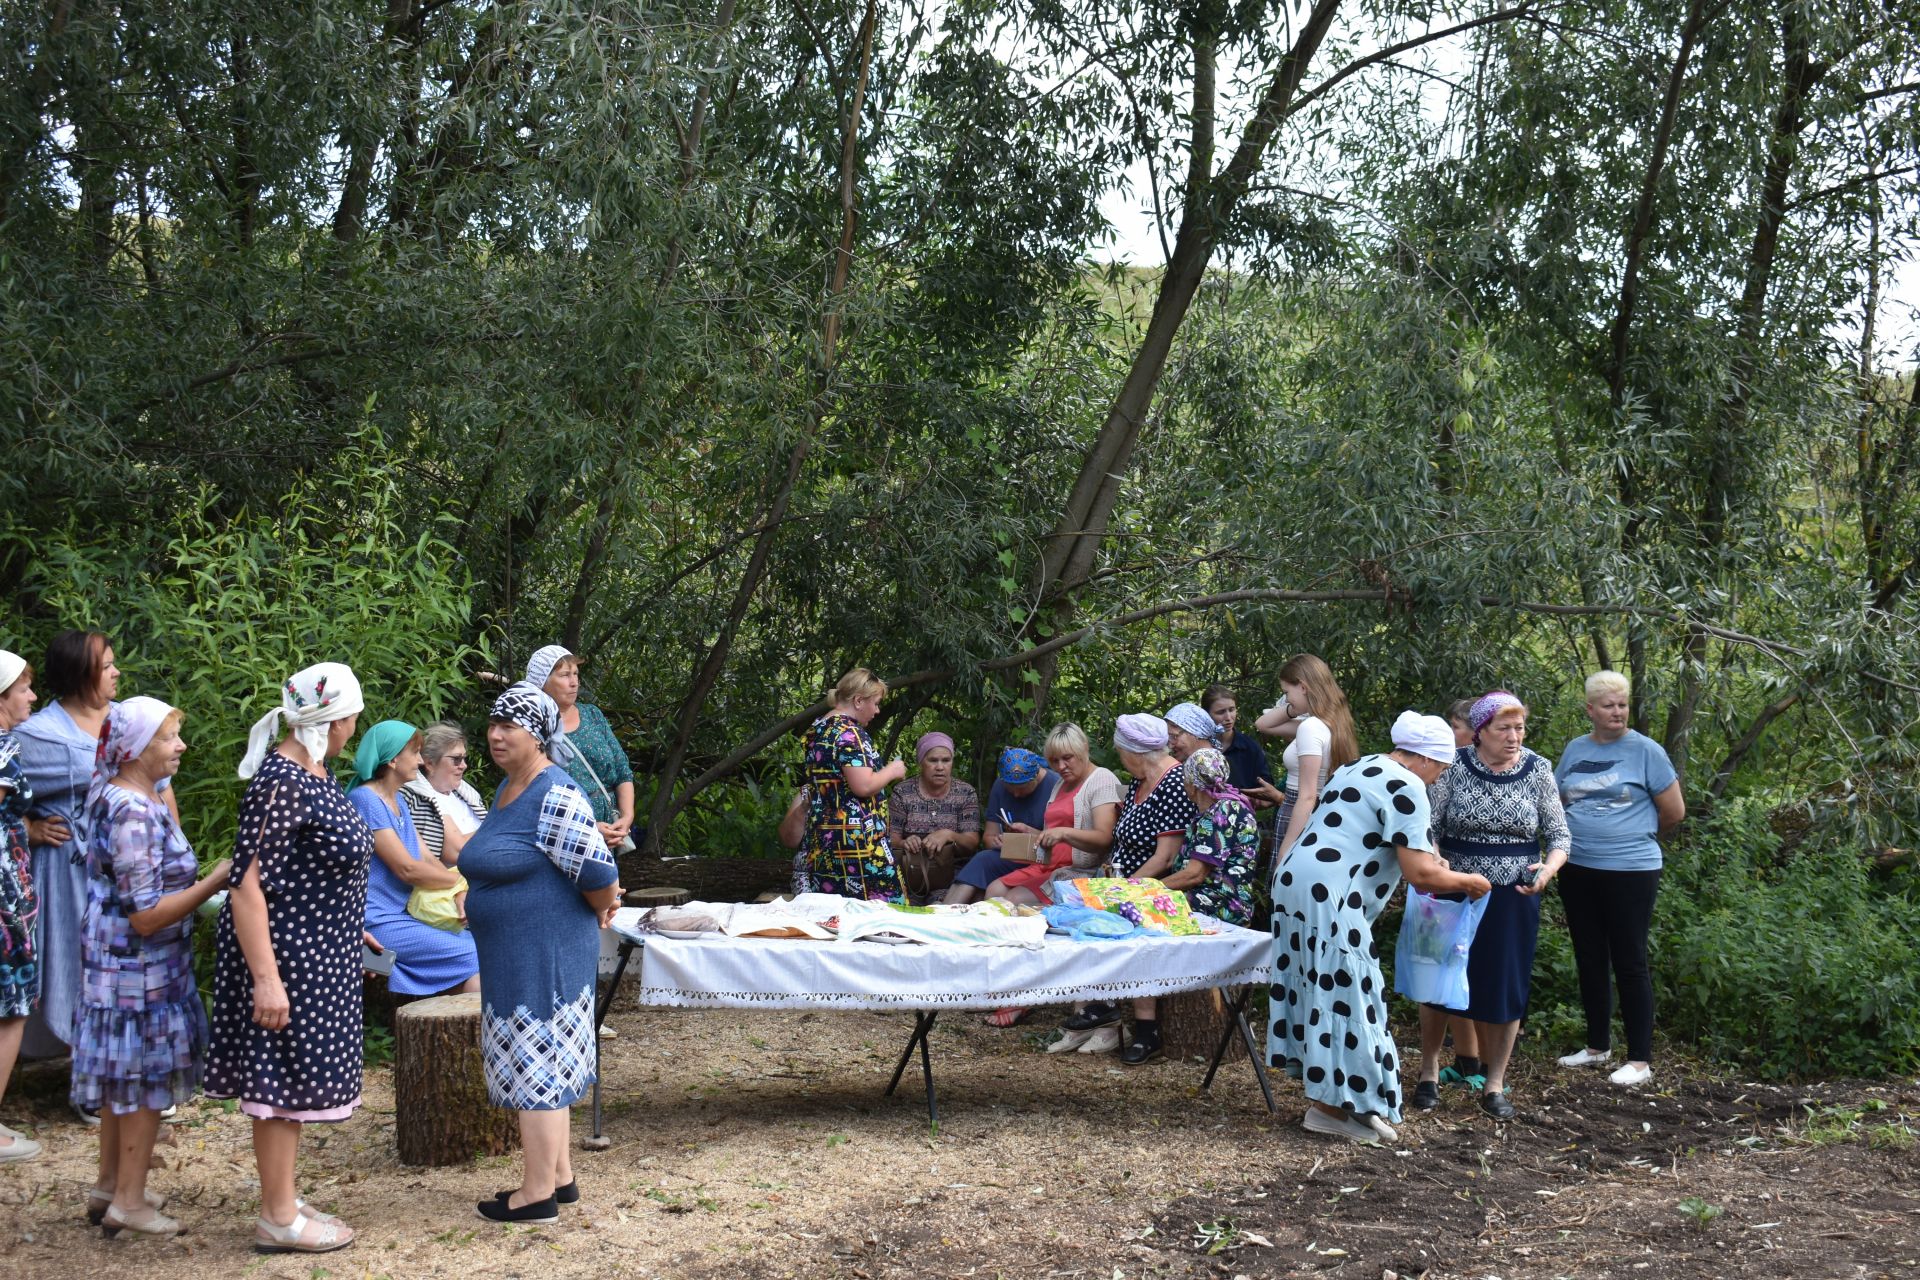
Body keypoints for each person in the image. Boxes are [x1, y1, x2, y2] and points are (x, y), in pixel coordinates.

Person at [205, 662, 370, 1255]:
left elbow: (313, 868)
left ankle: (284, 1195)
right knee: (280, 1083)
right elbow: (246, 885)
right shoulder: (282, 782)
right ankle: (276, 1215)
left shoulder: (312, 770)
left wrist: (356, 926)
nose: (356, 725)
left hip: (319, 950)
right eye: (352, 714)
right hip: (288, 957)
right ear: (335, 718)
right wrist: (266, 980)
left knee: (294, 1082)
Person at [1269, 712, 1491, 1144]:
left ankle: (1330, 1102)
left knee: (1319, 991)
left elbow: (1372, 838)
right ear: (1426, 760)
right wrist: (1469, 881)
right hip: (1330, 897)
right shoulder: (1409, 785)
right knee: (1350, 996)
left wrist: (1434, 862)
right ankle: (1343, 1108)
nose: (1439, 779)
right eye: (1441, 769)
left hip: (1295, 883)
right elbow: (1421, 874)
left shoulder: (1361, 766)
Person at [462, 683, 620, 1224]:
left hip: (543, 951)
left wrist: (603, 907)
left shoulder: (554, 791)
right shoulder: (510, 787)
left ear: (540, 735)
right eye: (493, 725)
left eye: (511, 726)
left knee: (540, 1066)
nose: (497, 734)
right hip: (515, 953)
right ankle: (559, 1177)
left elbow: (598, 872)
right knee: (546, 1057)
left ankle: (536, 1196)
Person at [72, 698, 229, 1237]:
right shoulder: (134, 811)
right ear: (136, 748)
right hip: (139, 973)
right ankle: (130, 1202)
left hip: (117, 968)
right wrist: (215, 881)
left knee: (121, 1078)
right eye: (169, 738)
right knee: (140, 1083)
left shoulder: (118, 791)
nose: (180, 746)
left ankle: (110, 1184)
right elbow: (144, 914)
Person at [17, 630, 178, 1066]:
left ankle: (129, 1064)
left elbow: (162, 786)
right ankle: (90, 1072)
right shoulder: (38, 734)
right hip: (70, 872)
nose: (116, 672)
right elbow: (8, 785)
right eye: (106, 666)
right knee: (83, 963)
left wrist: (174, 851)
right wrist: (29, 826)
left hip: (136, 864)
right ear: (79, 673)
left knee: (134, 962)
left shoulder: (130, 719)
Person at [1412, 691, 1570, 1119]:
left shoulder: (1538, 769)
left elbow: (1559, 836)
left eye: (1519, 728)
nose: (1514, 736)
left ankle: (1494, 1083)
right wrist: (1436, 858)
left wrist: (1548, 870)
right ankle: (1428, 1071)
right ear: (1480, 731)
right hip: (1454, 890)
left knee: (1505, 985)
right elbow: (1427, 825)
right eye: (1504, 728)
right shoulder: (1455, 766)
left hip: (1512, 897)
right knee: (1439, 978)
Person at [1553, 670, 1684, 1088]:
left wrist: (1629, 836)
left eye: (1622, 704)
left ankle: (1640, 1061)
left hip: (1631, 870)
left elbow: (1674, 812)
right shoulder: (1575, 749)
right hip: (1577, 868)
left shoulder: (1646, 751)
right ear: (1590, 709)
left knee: (1629, 960)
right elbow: (1557, 801)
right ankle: (1597, 1046)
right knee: (1589, 956)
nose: (1617, 712)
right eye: (1608, 705)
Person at [1047, 715, 1198, 1055]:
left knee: (1134, 931)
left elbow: (1166, 856)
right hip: (1123, 879)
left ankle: (1145, 1029)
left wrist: (1123, 890)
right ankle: (1095, 1011)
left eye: (1121, 752)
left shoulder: (1173, 782)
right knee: (1073, 913)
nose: (1119, 760)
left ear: (1136, 751)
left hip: (1154, 885)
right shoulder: (1138, 781)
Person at [1119, 747, 1262, 1065]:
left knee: (1139, 919)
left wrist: (1144, 889)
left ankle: (1146, 1029)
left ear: (1192, 784)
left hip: (1221, 905)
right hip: (1211, 898)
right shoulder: (1224, 807)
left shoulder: (1221, 813)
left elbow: (1196, 874)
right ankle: (1143, 1023)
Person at [348, 721, 480, 998]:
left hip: (402, 914)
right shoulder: (367, 800)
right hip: (375, 920)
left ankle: (466, 1036)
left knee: (479, 946)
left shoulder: (397, 801)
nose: (421, 761)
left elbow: (427, 859)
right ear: (393, 759)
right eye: (415, 753)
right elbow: (407, 869)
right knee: (472, 952)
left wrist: (463, 889)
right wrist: (459, 881)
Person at [1422, 696, 1486, 1089]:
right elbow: (1428, 824)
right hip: (1446, 882)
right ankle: (1438, 1064)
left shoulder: (1518, 767)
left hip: (1492, 890)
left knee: (1473, 973)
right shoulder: (1446, 770)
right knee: (1441, 969)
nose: (1449, 736)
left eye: (1455, 728)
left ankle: (1470, 1060)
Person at [802, 669, 906, 900]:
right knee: (887, 914)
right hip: (858, 845)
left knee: (832, 914)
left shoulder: (818, 728)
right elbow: (863, 785)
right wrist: (892, 770)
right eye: (876, 703)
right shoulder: (850, 733)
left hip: (824, 837)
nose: (878, 711)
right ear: (859, 700)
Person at [1254, 654, 1358, 863]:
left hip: (1299, 813)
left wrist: (1286, 849)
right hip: (1324, 811)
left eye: (1287, 692)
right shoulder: (1331, 722)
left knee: (1287, 889)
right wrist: (1295, 708)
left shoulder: (1311, 727)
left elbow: (1307, 795)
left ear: (1302, 686)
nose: (1286, 700)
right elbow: (1263, 724)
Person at [528, 646, 634, 851]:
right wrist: (590, 828)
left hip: (611, 828)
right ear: (542, 682)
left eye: (576, 674)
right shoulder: (533, 728)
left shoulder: (592, 715)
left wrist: (626, 816)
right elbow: (533, 793)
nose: (574, 682)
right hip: (564, 832)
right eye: (565, 675)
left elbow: (622, 770)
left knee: (606, 882)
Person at [0, 650, 41, 1163]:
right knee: (9, 1007)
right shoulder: (5, 750)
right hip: (4, 894)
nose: (33, 696)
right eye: (24, 688)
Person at [946, 747, 1064, 903]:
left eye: (1022, 789)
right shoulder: (1000, 786)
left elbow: (1062, 843)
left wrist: (1028, 836)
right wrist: (1000, 842)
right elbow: (988, 837)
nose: (1015, 794)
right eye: (1010, 788)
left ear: (1035, 777)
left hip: (1044, 859)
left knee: (985, 892)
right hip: (1010, 856)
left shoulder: (1056, 786)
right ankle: (946, 910)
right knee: (982, 859)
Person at [885, 732, 980, 902]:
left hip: (952, 876)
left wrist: (949, 835)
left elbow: (972, 843)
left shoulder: (966, 793)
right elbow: (890, 839)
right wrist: (904, 843)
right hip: (910, 873)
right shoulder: (903, 792)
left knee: (941, 911)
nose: (940, 767)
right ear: (921, 761)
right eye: (933, 760)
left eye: (946, 760)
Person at [400, 721, 488, 864]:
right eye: (456, 759)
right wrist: (499, 827)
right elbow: (458, 851)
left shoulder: (466, 795)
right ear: (429, 763)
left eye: (464, 758)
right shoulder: (417, 799)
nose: (464, 766)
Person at [1203, 684, 1278, 812]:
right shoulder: (1199, 747)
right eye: (1220, 712)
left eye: (1231, 709)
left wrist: (1246, 800)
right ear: (1206, 714)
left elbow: (1267, 795)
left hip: (1241, 821)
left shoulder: (1250, 747)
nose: (1228, 717)